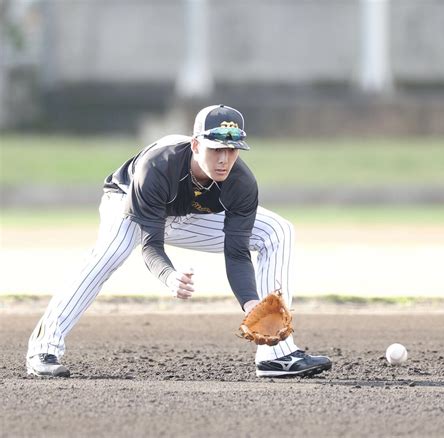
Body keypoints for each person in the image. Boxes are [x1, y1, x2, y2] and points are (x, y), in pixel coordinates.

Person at [26, 104, 332, 378]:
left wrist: (251, 302)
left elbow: (237, 252)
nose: (224, 158)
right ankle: (44, 348)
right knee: (108, 255)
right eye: (215, 149)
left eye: (232, 149)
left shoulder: (241, 182)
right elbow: (151, 245)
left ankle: (275, 355)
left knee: (278, 231)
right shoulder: (158, 166)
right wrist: (169, 275)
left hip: (190, 213)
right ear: (196, 143)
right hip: (131, 205)